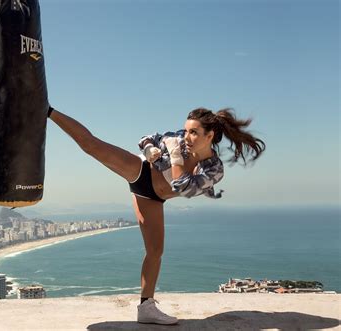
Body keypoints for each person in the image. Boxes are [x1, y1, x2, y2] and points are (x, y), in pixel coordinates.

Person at [47, 106, 265, 325]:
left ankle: (146, 308)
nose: (186, 137)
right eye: (186, 130)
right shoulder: (177, 139)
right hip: (140, 171)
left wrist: (175, 154)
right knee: (92, 145)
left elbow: (183, 188)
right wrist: (151, 148)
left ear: (210, 136)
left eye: (193, 132)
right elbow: (147, 139)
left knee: (155, 251)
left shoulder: (214, 169)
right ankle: (47, 111)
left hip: (153, 199)